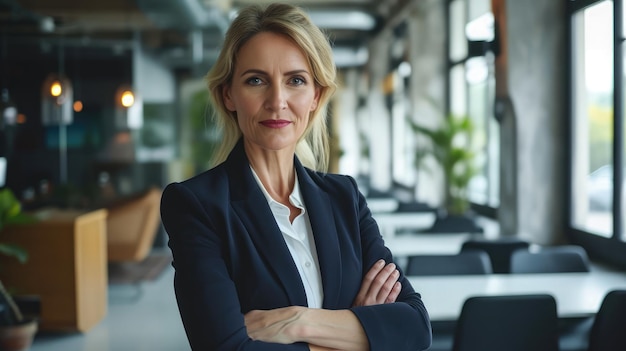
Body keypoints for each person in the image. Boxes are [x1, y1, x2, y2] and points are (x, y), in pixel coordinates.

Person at [160, 3, 431, 350]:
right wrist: (357, 333)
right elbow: (225, 347)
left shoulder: (344, 197)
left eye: (296, 81)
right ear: (229, 94)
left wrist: (299, 322)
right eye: (256, 80)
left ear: (316, 96)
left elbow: (415, 328)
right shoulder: (197, 205)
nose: (277, 101)